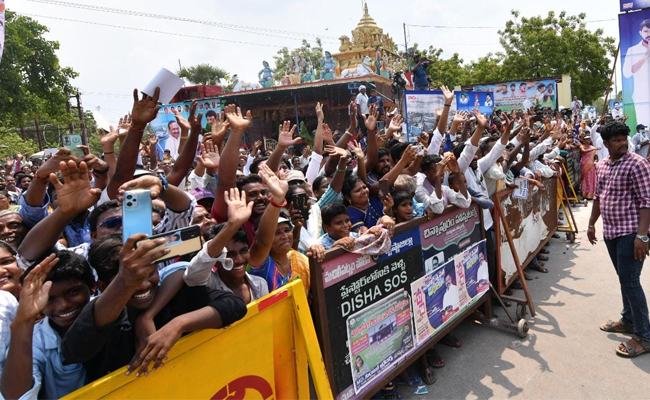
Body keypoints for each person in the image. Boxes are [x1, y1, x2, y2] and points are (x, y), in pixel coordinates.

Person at [587, 121, 650, 358]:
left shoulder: (637, 164)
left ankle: (644, 336)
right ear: (605, 144)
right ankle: (629, 320)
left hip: (632, 233)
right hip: (611, 233)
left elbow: (647, 201)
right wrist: (592, 224)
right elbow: (598, 197)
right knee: (625, 279)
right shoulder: (602, 165)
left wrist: (642, 236)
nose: (623, 143)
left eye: (624, 138)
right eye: (617, 140)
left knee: (630, 281)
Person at [1, 252, 94, 399]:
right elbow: (15, 396)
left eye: (73, 292)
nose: (64, 305)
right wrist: (24, 320)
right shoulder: (34, 342)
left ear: (93, 287)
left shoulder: (110, 309)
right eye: (49, 299)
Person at [184, 189, 268, 304]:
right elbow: (192, 275)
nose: (238, 260)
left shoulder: (260, 284)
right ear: (215, 260)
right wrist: (232, 224)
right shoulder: (209, 284)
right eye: (230, 255)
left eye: (243, 251)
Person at [622, 19, 650, 129]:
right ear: (640, 33)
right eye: (646, 31)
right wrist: (646, 56)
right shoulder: (632, 50)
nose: (649, 34)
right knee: (645, 130)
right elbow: (627, 73)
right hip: (642, 97)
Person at [579, 136, 599, 200]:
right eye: (586, 140)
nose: (588, 141)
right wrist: (593, 149)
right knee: (585, 179)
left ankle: (590, 194)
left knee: (591, 178)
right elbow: (583, 151)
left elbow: (595, 156)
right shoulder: (582, 146)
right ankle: (585, 194)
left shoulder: (592, 147)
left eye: (589, 139)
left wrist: (595, 159)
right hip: (584, 164)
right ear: (584, 140)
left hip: (591, 165)